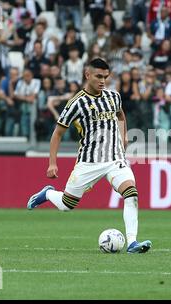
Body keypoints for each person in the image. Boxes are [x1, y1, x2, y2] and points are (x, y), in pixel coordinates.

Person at [26, 58, 152, 254]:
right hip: (89, 161)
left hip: (115, 159)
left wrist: (124, 135)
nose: (103, 81)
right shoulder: (76, 103)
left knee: (131, 194)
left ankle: (132, 243)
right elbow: (58, 133)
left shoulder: (113, 96)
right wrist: (52, 164)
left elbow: (120, 115)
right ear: (87, 75)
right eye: (98, 76)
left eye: (106, 77)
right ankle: (48, 194)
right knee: (67, 205)